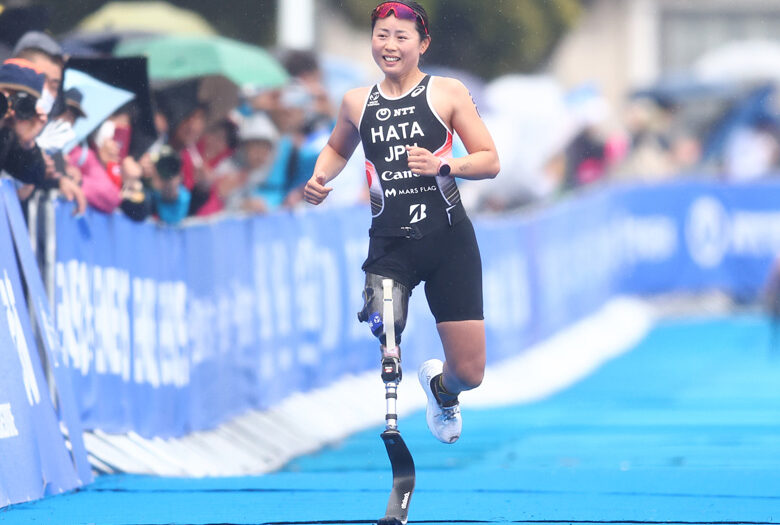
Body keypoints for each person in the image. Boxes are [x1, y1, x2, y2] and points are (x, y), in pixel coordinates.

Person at [303, 1, 499, 444]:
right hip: (391, 245)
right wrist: (320, 177)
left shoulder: (447, 93)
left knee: (470, 373)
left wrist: (443, 165)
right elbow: (336, 149)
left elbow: (490, 160)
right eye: (382, 35)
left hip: (448, 240)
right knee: (387, 332)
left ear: (423, 44)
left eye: (401, 37)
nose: (390, 45)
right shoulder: (356, 102)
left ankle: (441, 390)